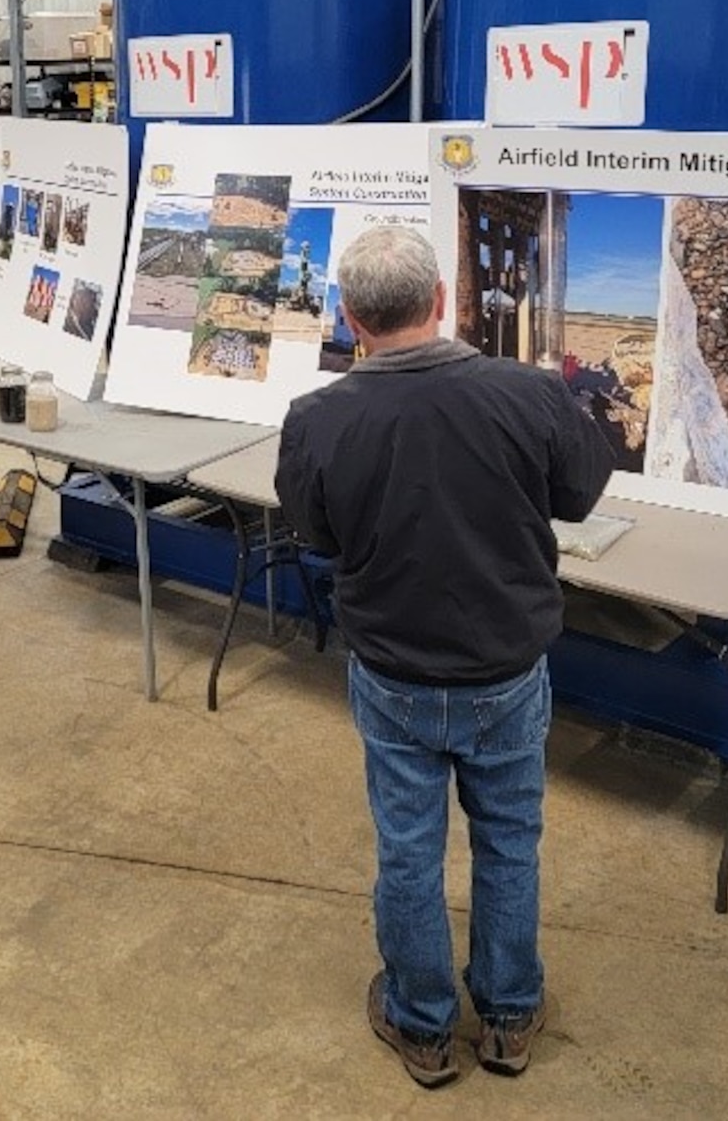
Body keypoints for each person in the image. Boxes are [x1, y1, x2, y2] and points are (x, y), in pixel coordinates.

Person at [276, 225, 614, 1088]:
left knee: (408, 851)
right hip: (507, 672)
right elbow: (580, 493)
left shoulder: (317, 418)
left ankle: (421, 1027)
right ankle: (507, 1017)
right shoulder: (530, 395)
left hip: (393, 675)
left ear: (350, 318)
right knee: (509, 843)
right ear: (442, 301)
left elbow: (314, 533)